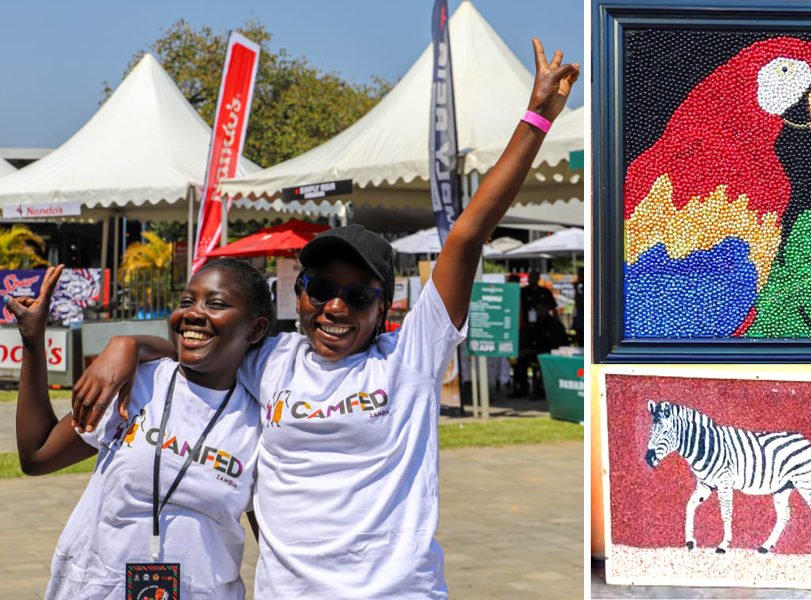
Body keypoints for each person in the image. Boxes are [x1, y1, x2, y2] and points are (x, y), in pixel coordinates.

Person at [71, 38, 579, 598]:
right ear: (300, 295)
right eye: (320, 289)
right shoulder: (271, 361)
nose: (335, 308)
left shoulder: (408, 360)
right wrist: (129, 344)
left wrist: (536, 117)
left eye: (358, 297)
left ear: (385, 308)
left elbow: (466, 235)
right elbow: (203, 341)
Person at [12, 259, 273, 599]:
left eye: (216, 304)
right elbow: (37, 455)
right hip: (92, 588)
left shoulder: (262, 423)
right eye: (186, 301)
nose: (194, 313)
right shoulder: (137, 382)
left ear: (255, 329)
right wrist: (33, 339)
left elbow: (275, 550)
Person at [513, 270, 557, 397]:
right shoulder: (523, 292)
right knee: (521, 359)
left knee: (542, 360)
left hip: (542, 333)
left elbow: (553, 309)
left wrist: (555, 322)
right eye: (530, 277)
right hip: (527, 330)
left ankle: (542, 389)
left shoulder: (545, 292)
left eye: (534, 277)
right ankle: (522, 388)